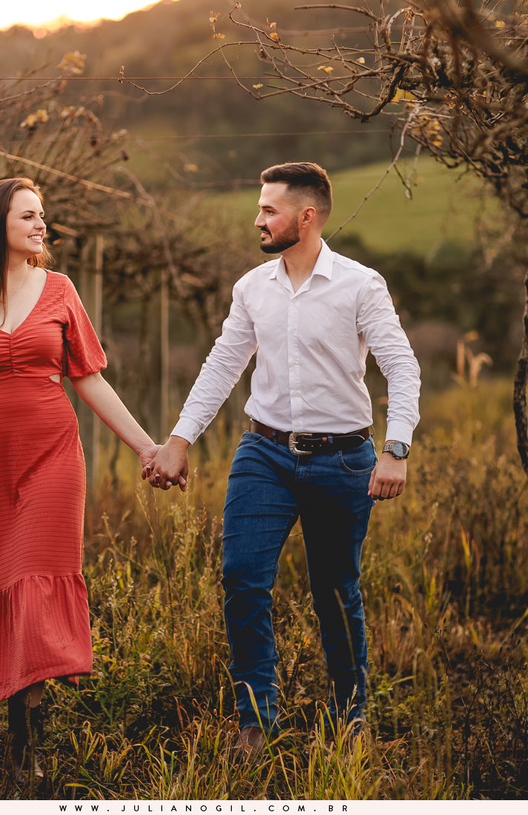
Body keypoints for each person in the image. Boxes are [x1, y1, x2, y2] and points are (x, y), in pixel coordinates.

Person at [144, 162, 421, 757]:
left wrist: (395, 449)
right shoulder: (252, 288)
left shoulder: (360, 285)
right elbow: (222, 365)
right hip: (263, 454)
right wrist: (179, 439)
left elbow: (401, 366)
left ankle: (352, 718)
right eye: (260, 208)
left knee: (334, 589)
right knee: (243, 577)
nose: (258, 219)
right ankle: (256, 721)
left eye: (269, 209)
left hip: (345, 462)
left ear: (307, 216)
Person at [0, 177, 159, 782]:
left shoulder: (60, 290)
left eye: (43, 217)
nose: (41, 226)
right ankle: (18, 723)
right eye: (29, 216)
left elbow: (91, 379)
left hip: (52, 454)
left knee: (35, 576)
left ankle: (29, 733)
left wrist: (147, 446)